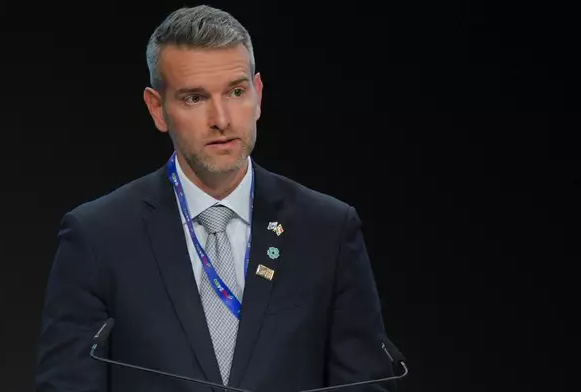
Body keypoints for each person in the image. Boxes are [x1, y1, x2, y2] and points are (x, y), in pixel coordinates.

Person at [35, 5, 395, 392]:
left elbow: (365, 384)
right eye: (194, 98)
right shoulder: (98, 237)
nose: (221, 119)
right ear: (158, 109)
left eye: (236, 92)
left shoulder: (328, 230)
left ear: (257, 95)